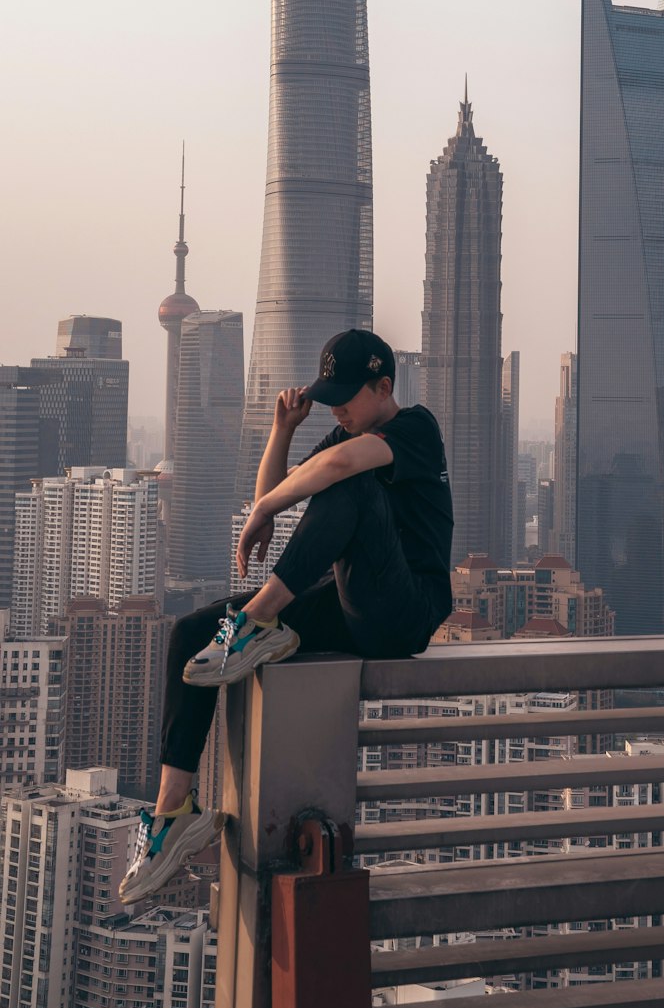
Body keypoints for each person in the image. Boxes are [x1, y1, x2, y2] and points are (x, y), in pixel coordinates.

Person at [119, 329, 453, 905]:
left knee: (347, 483)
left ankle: (257, 623)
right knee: (192, 632)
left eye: (347, 395)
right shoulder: (345, 430)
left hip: (403, 611)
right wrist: (283, 431)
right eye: (329, 396)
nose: (336, 407)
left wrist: (266, 509)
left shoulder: (414, 428)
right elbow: (276, 490)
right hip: (344, 602)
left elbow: (332, 472)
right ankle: (173, 811)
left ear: (384, 387)